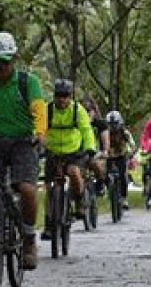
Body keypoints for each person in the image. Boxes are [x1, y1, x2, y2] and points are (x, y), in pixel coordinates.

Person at [0, 31, 45, 269]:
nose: (2, 67)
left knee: (28, 189)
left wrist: (40, 134)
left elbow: (39, 110)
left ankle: (29, 236)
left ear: (14, 60)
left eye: (6, 61)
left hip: (23, 141)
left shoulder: (27, 82)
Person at [42, 78, 96, 237]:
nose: (62, 99)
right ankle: (49, 224)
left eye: (65, 96)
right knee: (49, 189)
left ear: (70, 96)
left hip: (73, 151)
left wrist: (90, 148)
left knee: (74, 173)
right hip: (52, 152)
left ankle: (79, 201)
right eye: (59, 95)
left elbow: (86, 130)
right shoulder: (48, 110)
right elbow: (38, 128)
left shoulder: (77, 110)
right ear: (54, 95)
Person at [105, 109, 135, 209]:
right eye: (111, 124)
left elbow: (131, 142)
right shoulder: (106, 133)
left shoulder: (124, 132)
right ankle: (108, 191)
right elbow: (100, 143)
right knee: (105, 174)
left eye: (115, 124)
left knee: (122, 176)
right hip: (109, 155)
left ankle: (123, 198)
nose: (113, 126)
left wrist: (132, 150)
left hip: (121, 155)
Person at [81, 94, 109, 194]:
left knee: (96, 164)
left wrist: (104, 152)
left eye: (89, 110)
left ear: (94, 110)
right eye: (84, 110)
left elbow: (106, 143)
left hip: (97, 153)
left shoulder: (100, 124)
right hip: (81, 153)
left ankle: (100, 183)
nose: (87, 114)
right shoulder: (77, 123)